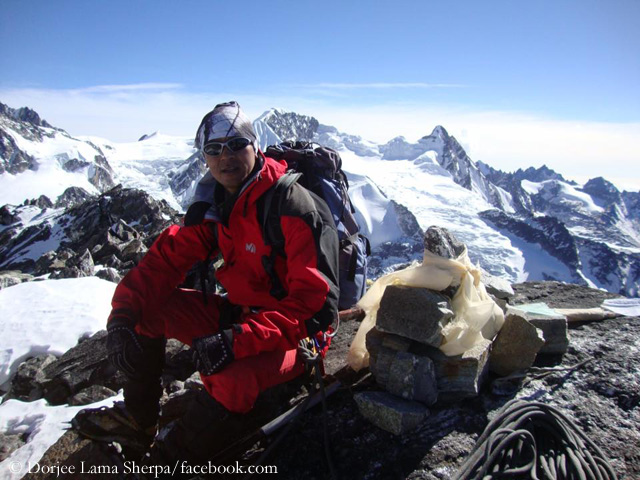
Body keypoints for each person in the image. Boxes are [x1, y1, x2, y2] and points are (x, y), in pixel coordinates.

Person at [88, 101, 340, 463]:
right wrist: (122, 316)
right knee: (149, 308)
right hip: (242, 319)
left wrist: (237, 341)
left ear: (256, 146)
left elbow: (315, 308)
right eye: (214, 149)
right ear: (204, 157)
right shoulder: (219, 204)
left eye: (237, 144)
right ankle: (139, 422)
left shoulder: (292, 206)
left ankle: (170, 459)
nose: (226, 157)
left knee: (228, 377)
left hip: (296, 337)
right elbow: (164, 261)